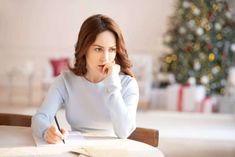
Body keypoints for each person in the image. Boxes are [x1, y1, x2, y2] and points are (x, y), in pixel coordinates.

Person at [31, 14, 139, 144]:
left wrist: (113, 84)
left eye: (111, 50)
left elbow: (124, 132)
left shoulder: (128, 84)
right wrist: (46, 131)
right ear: (84, 48)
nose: (105, 58)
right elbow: (40, 117)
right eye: (98, 49)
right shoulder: (65, 81)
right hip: (75, 149)